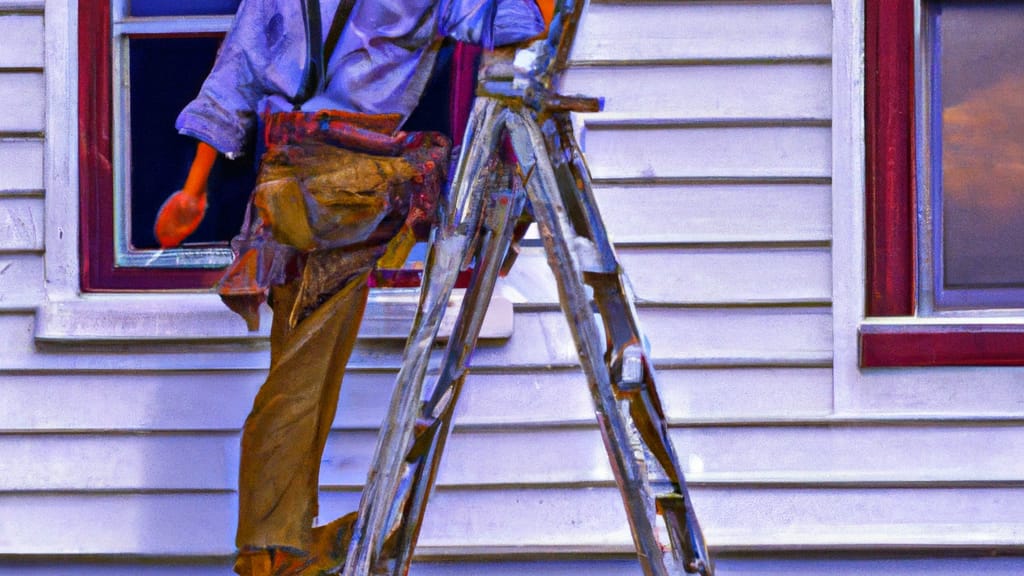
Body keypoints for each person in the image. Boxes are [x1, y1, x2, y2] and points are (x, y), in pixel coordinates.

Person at [153, 0, 549, 574]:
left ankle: (281, 539)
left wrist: (193, 191)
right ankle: (271, 549)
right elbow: (510, 23)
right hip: (356, 186)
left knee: (303, 364)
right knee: (304, 371)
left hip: (288, 176)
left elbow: (229, 84)